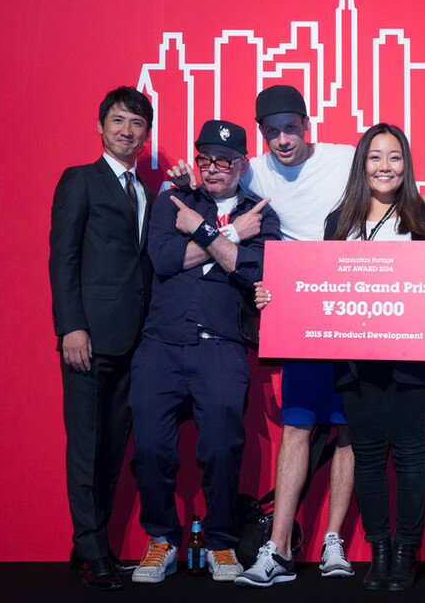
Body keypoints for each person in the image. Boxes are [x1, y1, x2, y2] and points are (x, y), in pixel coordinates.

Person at [256, 123, 425, 590]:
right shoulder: (338, 222)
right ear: (362, 165)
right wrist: (275, 296)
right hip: (355, 361)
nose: (385, 166)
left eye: (394, 157)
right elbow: (318, 289)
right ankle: (379, 551)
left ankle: (405, 552)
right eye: (375, 157)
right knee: (370, 455)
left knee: (411, 453)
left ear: (406, 165)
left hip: (414, 360)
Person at [169, 85, 357, 587]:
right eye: (271, 132)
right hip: (297, 308)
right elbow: (214, 177)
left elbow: (389, 192)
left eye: (290, 128)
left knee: (348, 429)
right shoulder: (252, 170)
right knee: (297, 425)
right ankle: (278, 548)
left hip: (353, 300)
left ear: (307, 124)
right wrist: (183, 180)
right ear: (260, 134)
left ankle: (333, 541)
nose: (282, 140)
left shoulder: (346, 158)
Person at [128, 119, 280, 584]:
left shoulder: (262, 214)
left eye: (224, 162)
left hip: (221, 349)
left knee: (221, 449)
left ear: (243, 165)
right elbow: (165, 260)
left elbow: (254, 274)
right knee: (150, 448)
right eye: (205, 160)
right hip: (160, 344)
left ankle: (220, 541)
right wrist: (230, 236)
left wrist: (202, 234)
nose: (213, 169)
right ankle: (161, 540)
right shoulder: (175, 201)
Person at [48, 86, 155, 591]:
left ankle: (91, 544)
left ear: (146, 133)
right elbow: (63, 256)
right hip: (88, 338)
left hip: (133, 340)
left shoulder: (145, 190)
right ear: (100, 126)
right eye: (118, 121)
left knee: (112, 449)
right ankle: (93, 549)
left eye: (137, 123)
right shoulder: (80, 180)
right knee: (86, 448)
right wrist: (71, 326)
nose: (127, 131)